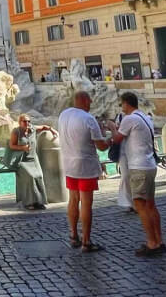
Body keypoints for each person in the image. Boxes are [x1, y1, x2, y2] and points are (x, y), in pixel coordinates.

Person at [110, 91, 164, 256]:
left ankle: (152, 243)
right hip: (149, 165)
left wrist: (112, 127)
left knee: (140, 205)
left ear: (127, 103)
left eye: (122, 104)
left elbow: (117, 139)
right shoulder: (145, 117)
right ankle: (159, 240)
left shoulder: (129, 118)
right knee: (150, 205)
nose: (122, 108)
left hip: (138, 167)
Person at [58, 90, 111, 252]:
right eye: (90, 101)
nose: (91, 104)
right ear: (84, 101)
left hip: (68, 164)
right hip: (86, 166)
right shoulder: (89, 119)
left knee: (73, 200)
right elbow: (101, 146)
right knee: (86, 203)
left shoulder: (64, 114)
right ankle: (86, 241)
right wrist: (111, 139)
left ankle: (74, 235)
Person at [2, 114, 51, 210]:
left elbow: (44, 127)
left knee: (39, 176)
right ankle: (29, 203)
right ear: (19, 122)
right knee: (30, 177)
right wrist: (22, 148)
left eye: (29, 121)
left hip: (33, 158)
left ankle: (39, 202)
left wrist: (52, 131)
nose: (27, 123)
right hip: (21, 160)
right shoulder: (16, 132)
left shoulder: (33, 129)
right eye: (24, 121)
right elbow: (11, 145)